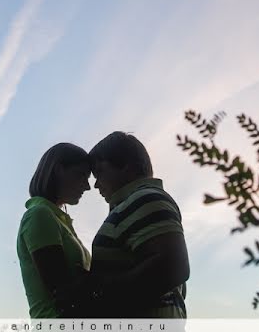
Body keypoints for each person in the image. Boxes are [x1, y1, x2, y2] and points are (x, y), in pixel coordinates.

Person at [81, 131, 190, 318]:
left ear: (125, 166)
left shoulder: (145, 198)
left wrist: (96, 288)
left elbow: (173, 267)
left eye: (99, 173)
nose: (96, 185)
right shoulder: (134, 204)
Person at [17, 143, 92, 318]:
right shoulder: (39, 215)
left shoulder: (56, 219)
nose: (87, 186)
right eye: (81, 175)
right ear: (59, 170)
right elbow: (63, 291)